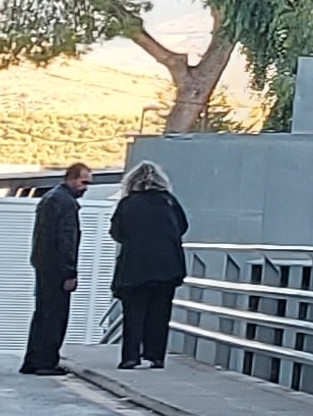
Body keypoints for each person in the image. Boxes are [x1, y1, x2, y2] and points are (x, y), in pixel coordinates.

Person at [109, 160, 188, 369]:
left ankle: (130, 356)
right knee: (160, 312)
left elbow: (116, 232)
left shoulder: (127, 203)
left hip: (135, 267)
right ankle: (156, 355)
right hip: (167, 266)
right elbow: (182, 226)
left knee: (133, 313)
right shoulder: (169, 201)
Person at [21, 165, 90, 374]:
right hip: (57, 269)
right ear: (71, 179)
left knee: (43, 314)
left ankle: (33, 360)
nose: (86, 188)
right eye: (83, 182)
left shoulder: (50, 199)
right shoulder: (66, 203)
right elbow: (66, 240)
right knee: (55, 316)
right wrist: (70, 272)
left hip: (44, 265)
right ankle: (46, 361)